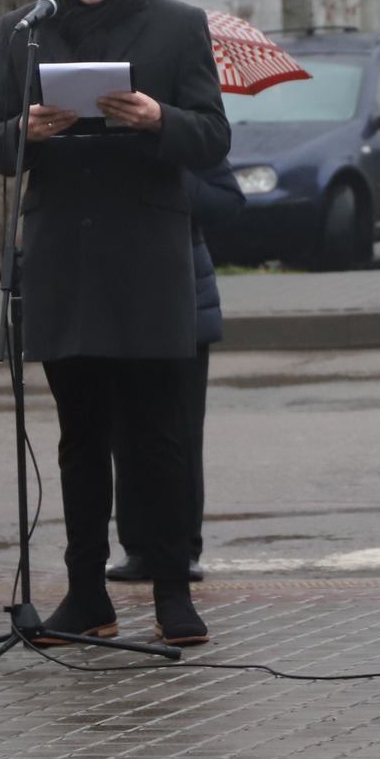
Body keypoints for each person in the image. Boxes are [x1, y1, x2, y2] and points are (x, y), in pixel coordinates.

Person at [0, 0, 231, 647]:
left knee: (158, 435)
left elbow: (213, 137)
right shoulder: (25, 31)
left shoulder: (178, 25)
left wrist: (157, 119)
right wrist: (27, 128)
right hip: (61, 260)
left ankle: (172, 590)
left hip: (146, 261)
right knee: (79, 438)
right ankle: (85, 589)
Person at [108, 161, 245, 584]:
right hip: (116, 295)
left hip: (183, 300)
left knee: (181, 431)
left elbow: (226, 202)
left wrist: (172, 170)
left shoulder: (187, 132)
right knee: (124, 432)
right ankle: (139, 547)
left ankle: (183, 546)